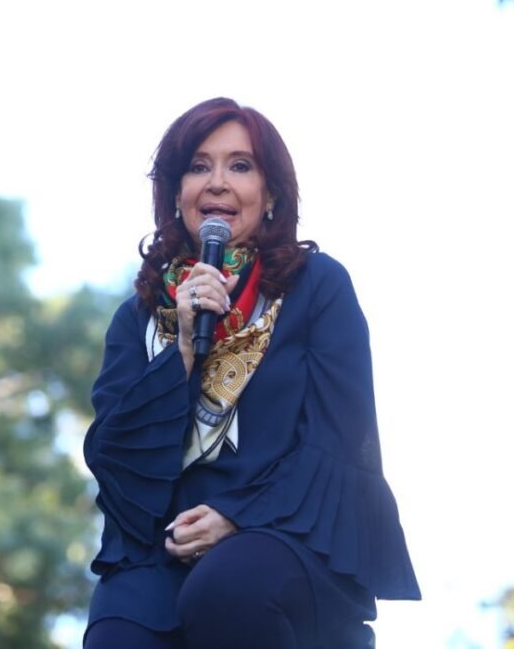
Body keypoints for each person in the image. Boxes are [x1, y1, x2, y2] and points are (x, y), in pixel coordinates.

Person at [82, 98, 420, 648]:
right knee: (116, 632)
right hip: (160, 550)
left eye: (240, 166)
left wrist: (237, 517)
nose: (217, 183)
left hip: (288, 536)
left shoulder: (317, 287)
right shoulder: (139, 317)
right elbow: (113, 458)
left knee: (225, 589)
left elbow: (341, 440)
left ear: (272, 196)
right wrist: (185, 348)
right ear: (175, 194)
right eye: (198, 166)